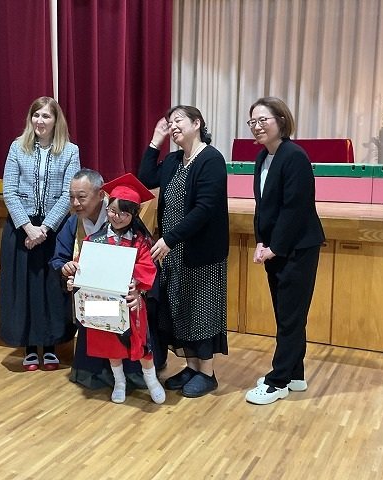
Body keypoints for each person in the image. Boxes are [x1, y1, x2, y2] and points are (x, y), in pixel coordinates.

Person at [138, 105, 229, 398]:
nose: (173, 126)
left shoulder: (211, 159)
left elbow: (204, 209)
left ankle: (207, 373)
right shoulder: (174, 159)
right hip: (173, 250)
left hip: (200, 250)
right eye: (170, 122)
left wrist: (169, 239)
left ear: (197, 123)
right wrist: (155, 141)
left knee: (202, 309)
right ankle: (191, 367)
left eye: (178, 120)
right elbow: (146, 177)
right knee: (180, 308)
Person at [244, 96, 325, 405]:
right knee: (288, 316)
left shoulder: (294, 156)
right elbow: (262, 206)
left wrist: (275, 247)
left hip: (297, 249)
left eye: (263, 120)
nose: (257, 126)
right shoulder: (263, 157)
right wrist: (260, 241)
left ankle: (277, 382)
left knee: (290, 317)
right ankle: (294, 374)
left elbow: (295, 209)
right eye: (253, 122)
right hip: (276, 248)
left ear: (281, 120)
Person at [66, 173, 165, 404]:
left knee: (140, 344)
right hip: (104, 302)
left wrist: (136, 284)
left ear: (134, 214)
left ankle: (151, 381)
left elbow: (147, 267)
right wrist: (75, 280)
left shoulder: (140, 242)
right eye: (112, 211)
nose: (117, 217)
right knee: (111, 344)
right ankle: (119, 382)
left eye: (124, 213)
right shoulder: (95, 240)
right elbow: (84, 266)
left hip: (131, 302)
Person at [0, 96, 80, 371]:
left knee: (51, 287)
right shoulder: (17, 147)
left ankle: (51, 345)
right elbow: (9, 191)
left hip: (53, 229)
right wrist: (28, 227)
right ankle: (30, 347)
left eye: (46, 116)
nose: (40, 121)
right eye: (36, 115)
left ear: (56, 121)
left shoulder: (70, 151)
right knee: (25, 286)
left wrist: (44, 228)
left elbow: (69, 195)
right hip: (21, 228)